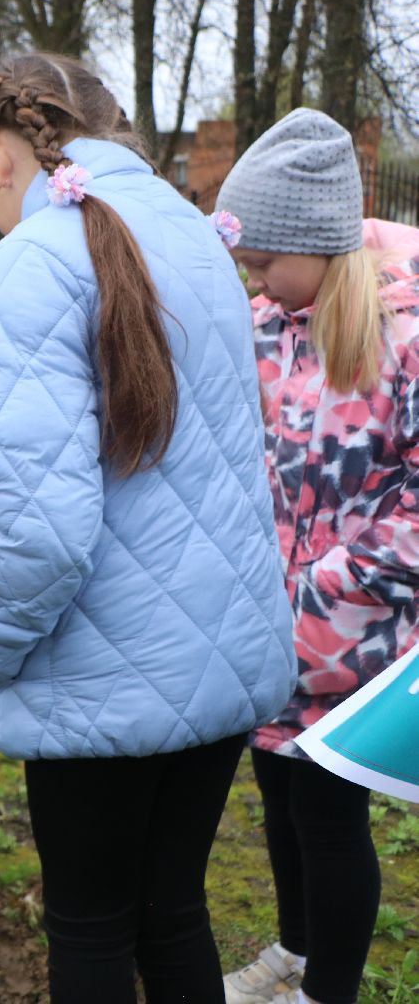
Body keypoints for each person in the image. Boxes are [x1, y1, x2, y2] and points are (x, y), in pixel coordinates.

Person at [0, 52, 294, 1004]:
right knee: (174, 914)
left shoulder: (36, 257)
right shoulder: (198, 237)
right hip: (222, 654)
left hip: (99, 676)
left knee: (92, 928)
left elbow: (44, 534)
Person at [214, 110, 419, 1004]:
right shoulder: (266, 322)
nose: (252, 278)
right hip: (267, 624)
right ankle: (294, 953)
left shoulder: (403, 335)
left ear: (315, 243)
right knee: (277, 796)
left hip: (355, 634)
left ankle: (325, 991)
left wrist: (331, 585)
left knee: (329, 818)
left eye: (263, 260)